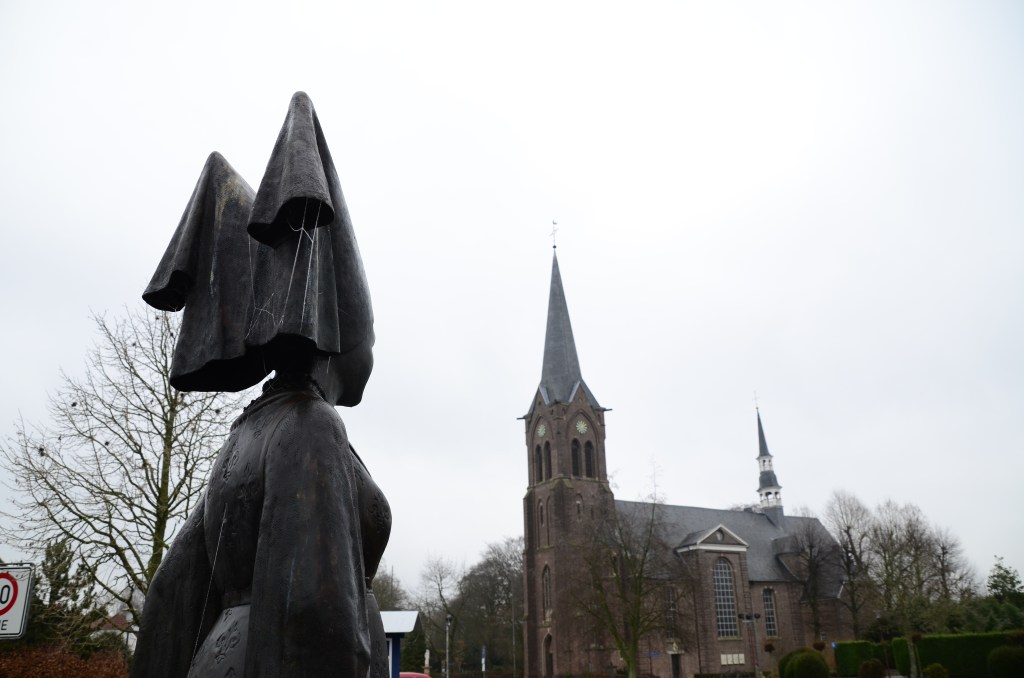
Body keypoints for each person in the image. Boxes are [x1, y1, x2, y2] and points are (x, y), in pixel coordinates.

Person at [132, 93, 389, 678]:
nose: (372, 351)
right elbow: (317, 614)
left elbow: (170, 595)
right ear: (338, 333)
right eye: (370, 334)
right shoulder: (311, 426)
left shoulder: (247, 434)